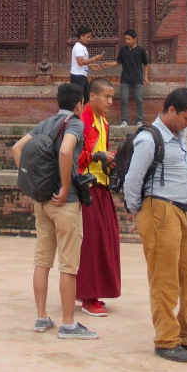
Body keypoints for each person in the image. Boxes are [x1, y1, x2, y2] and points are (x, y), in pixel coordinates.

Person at [125, 87, 187, 363]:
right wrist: (137, 211)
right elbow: (133, 179)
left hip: (181, 212)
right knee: (164, 279)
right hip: (160, 210)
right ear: (171, 111)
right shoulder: (149, 138)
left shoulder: (175, 136)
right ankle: (166, 340)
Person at [10, 83, 98, 340]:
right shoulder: (75, 124)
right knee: (68, 264)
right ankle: (69, 324)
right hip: (65, 202)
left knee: (42, 260)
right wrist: (65, 186)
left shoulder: (45, 123)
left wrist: (35, 184)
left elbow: (17, 149)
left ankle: (41, 317)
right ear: (80, 104)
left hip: (42, 201)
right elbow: (65, 150)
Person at [76, 78, 121, 317]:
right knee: (91, 243)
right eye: (106, 96)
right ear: (92, 96)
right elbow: (73, 155)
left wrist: (109, 157)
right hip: (86, 189)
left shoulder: (102, 122)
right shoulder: (81, 121)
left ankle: (91, 291)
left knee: (106, 239)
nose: (110, 102)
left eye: (112, 97)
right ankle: (88, 296)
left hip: (101, 186)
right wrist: (96, 156)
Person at [115, 29, 150, 127]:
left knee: (139, 100)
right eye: (125, 39)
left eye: (128, 39)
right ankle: (124, 120)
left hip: (137, 79)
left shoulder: (141, 50)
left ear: (134, 39)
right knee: (124, 100)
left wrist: (145, 77)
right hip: (125, 79)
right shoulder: (123, 50)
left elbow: (146, 64)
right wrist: (107, 64)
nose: (126, 41)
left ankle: (139, 120)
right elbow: (118, 62)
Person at [69, 26, 103, 101]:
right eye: (87, 37)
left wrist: (90, 65)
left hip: (82, 75)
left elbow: (82, 61)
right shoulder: (78, 47)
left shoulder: (82, 47)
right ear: (81, 36)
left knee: (87, 96)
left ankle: (84, 112)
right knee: (79, 98)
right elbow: (80, 62)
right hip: (77, 76)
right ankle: (78, 112)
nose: (89, 39)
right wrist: (94, 59)